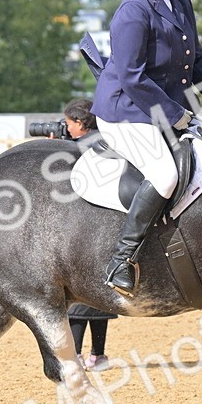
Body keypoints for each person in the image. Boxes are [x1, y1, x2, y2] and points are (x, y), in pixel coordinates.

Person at [90, 0, 202, 297]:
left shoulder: (180, 0)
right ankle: (121, 260)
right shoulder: (132, 13)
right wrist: (175, 115)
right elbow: (133, 77)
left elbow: (197, 58)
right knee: (165, 175)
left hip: (165, 106)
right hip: (125, 110)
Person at [58, 99, 117, 370]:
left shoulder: (82, 147)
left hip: (85, 226)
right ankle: (99, 355)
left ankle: (79, 356)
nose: (66, 129)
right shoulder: (107, 141)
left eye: (69, 124)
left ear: (80, 123)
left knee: (79, 302)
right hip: (108, 226)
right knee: (100, 297)